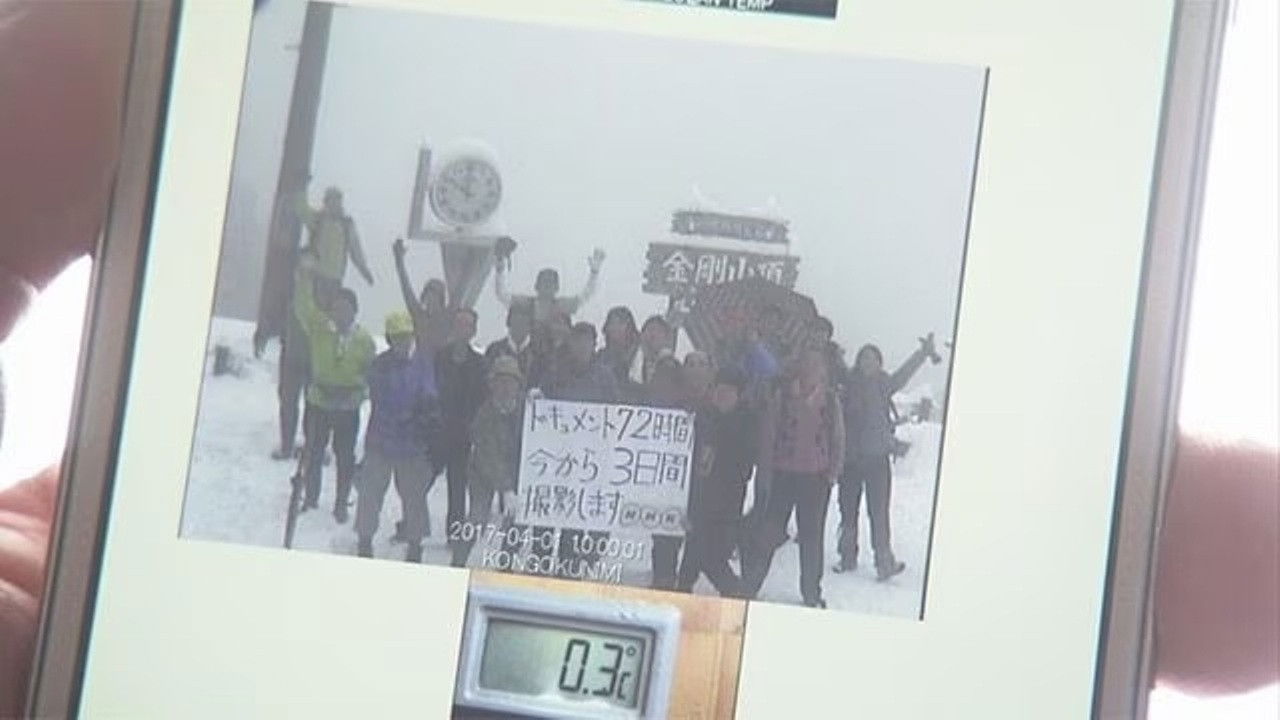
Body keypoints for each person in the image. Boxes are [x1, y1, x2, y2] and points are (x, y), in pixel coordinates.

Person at [742, 348, 845, 608]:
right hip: (783, 475)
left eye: (816, 366)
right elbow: (769, 434)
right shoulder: (784, 396)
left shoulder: (830, 401)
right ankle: (751, 584)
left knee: (811, 537)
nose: (811, 370)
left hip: (816, 478)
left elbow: (838, 438)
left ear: (822, 371)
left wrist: (833, 471)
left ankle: (811, 591)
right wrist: (765, 472)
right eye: (807, 364)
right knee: (769, 531)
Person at [834, 336, 936, 580]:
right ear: (857, 363)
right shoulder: (848, 383)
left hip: (877, 460)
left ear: (880, 363)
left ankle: (884, 561)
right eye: (863, 358)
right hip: (851, 460)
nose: (867, 363)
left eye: (872, 359)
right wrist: (834, 352)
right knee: (848, 511)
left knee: (878, 512)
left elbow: (905, 373)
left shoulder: (884, 384)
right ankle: (847, 557)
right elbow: (834, 366)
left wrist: (922, 353)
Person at [353, 312, 442, 562]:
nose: (402, 343)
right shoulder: (380, 365)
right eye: (397, 338)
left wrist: (421, 414)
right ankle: (364, 540)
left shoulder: (423, 364)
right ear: (390, 339)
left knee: (414, 497)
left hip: (411, 443)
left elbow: (430, 396)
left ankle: (415, 544)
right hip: (381, 440)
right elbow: (379, 395)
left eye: (406, 337)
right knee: (370, 495)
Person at [678, 367, 757, 598]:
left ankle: (736, 593)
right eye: (718, 391)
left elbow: (744, 463)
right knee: (694, 544)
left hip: (727, 499)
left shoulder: (747, 421)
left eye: (728, 392)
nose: (722, 396)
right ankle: (683, 588)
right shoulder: (703, 416)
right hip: (699, 493)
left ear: (738, 395)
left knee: (711, 555)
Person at [450, 356, 526, 568]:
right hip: (482, 473)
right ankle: (457, 563)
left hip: (516, 472)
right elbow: (488, 456)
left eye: (510, 382)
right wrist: (506, 489)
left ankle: (505, 566)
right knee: (476, 520)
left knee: (517, 523)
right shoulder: (483, 416)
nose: (505, 387)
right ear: (491, 384)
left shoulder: (526, 410)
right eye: (500, 381)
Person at [434, 306, 487, 536]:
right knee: (418, 483)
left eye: (467, 325)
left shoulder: (479, 363)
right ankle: (411, 527)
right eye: (459, 324)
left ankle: (454, 534)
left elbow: (482, 400)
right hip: (437, 432)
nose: (462, 329)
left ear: (474, 330)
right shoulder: (439, 357)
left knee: (457, 488)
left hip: (463, 435)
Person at [646, 356, 692, 590]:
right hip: (652, 478)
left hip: (678, 479)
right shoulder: (644, 406)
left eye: (670, 378)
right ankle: (662, 575)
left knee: (671, 531)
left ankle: (671, 577)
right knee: (660, 530)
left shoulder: (689, 409)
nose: (665, 383)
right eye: (660, 377)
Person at [493, 246, 605, 326]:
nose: (547, 287)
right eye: (544, 283)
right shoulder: (525, 304)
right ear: (536, 286)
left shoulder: (562, 306)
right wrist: (500, 271)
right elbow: (502, 295)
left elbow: (586, 295)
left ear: (556, 288)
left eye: (550, 283)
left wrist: (594, 273)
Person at [295, 180, 373, 291]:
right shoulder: (318, 219)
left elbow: (356, 251)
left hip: (334, 279)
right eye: (331, 200)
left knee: (328, 307)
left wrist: (365, 271)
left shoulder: (346, 225)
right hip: (315, 275)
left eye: (337, 200)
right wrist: (301, 183)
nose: (335, 204)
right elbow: (301, 209)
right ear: (326, 202)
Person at [392, 237, 452, 358]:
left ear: (441, 299)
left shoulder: (448, 316)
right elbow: (406, 289)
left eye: (435, 296)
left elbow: (462, 289)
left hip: (442, 364)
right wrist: (399, 261)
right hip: (421, 363)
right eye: (428, 295)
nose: (430, 300)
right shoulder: (418, 314)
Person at [543, 321, 621, 404]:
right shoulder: (555, 375)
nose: (582, 346)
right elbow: (542, 398)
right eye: (578, 340)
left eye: (587, 341)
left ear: (594, 345)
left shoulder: (605, 377)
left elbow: (614, 407)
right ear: (570, 344)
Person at [483, 300, 534, 377]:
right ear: (508, 322)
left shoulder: (538, 352)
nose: (519, 325)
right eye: (516, 321)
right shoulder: (494, 350)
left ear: (531, 325)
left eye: (524, 322)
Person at [596, 305, 641, 391]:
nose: (616, 328)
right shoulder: (600, 358)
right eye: (612, 323)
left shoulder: (642, 356)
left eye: (621, 323)